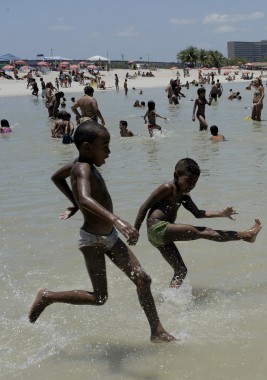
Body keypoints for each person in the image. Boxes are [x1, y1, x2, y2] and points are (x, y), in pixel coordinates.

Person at [27, 121, 175, 342]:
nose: (109, 151)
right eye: (105, 146)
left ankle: (157, 331)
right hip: (92, 240)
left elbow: (57, 178)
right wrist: (116, 219)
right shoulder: (82, 168)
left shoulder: (79, 164)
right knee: (99, 297)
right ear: (87, 147)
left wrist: (75, 203)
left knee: (142, 279)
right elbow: (85, 197)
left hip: (109, 238)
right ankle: (47, 297)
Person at [133, 158, 262, 289]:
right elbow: (144, 207)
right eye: (188, 181)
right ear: (176, 175)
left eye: (194, 183)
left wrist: (222, 213)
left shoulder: (184, 195)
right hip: (158, 228)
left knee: (181, 270)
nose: (191, 186)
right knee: (204, 232)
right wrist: (135, 231)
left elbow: (198, 213)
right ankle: (246, 236)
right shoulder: (168, 188)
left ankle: (171, 300)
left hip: (159, 237)